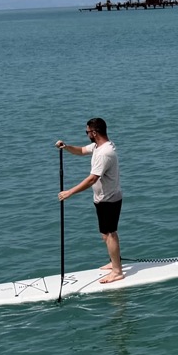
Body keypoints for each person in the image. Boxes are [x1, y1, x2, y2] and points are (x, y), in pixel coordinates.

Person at [56, 117, 123, 283]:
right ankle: (115, 262)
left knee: (110, 234)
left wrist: (70, 192)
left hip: (109, 199)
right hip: (101, 199)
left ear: (94, 132)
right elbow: (80, 151)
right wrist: (66, 147)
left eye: (87, 132)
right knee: (105, 235)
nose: (86, 135)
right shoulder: (97, 147)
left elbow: (93, 179)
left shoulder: (105, 153)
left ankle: (117, 271)